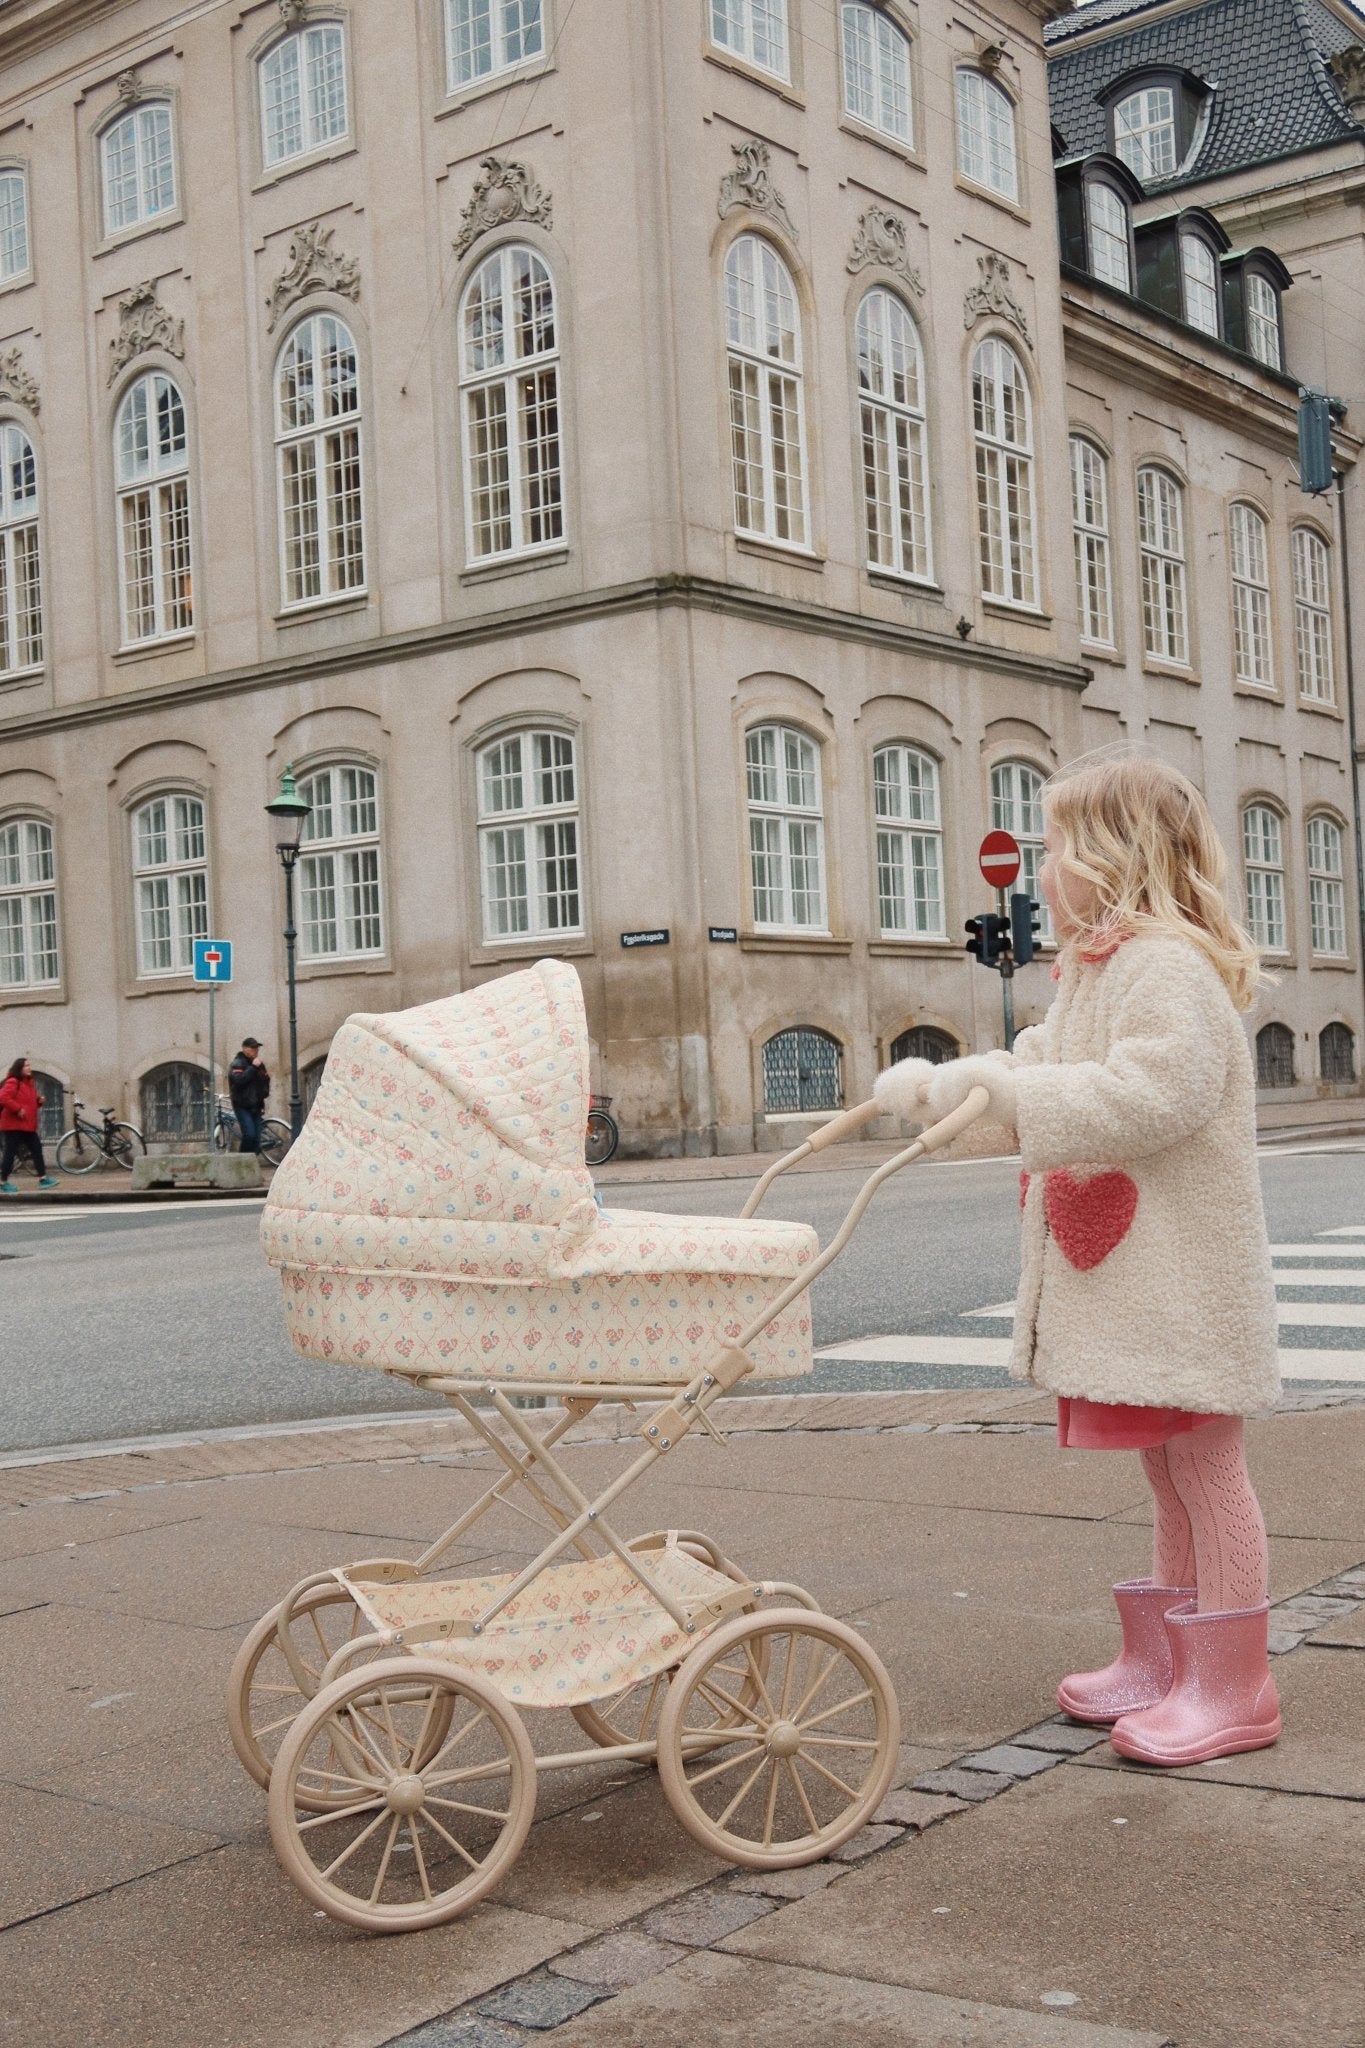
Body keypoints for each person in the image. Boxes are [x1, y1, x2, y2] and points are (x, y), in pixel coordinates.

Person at [875, 755, 1282, 1767]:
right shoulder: (1100, 966)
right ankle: (1167, 1660)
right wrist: (954, 1092)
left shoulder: (1166, 966)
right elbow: (1042, 1069)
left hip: (1188, 1282)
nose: (1041, 867)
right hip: (1152, 1289)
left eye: (1055, 846)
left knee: (1206, 1465)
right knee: (1167, 1468)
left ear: (1115, 856)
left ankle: (1234, 1682)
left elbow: (1155, 1092)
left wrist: (1013, 1100)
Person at [0, 1057, 59, 1190]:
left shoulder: (29, 1083)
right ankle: (3, 1183)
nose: (29, 1068)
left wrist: (38, 1101)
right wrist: (17, 1109)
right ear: (19, 1068)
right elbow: (3, 1098)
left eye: (29, 1065)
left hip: (26, 1126)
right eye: (26, 1066)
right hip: (13, 1126)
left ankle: (43, 1179)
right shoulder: (13, 1081)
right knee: (10, 1153)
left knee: (37, 1149)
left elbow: (27, 1103)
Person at [228, 1037, 271, 1154]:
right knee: (249, 1134)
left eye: (257, 1047)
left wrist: (264, 1093)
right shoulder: (238, 1063)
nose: (256, 1050)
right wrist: (253, 1068)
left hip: (256, 1105)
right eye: (253, 1048)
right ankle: (241, 1161)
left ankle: (251, 1163)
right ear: (244, 1049)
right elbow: (239, 1080)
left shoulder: (258, 1063)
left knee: (257, 1140)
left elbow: (265, 1079)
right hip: (242, 1105)